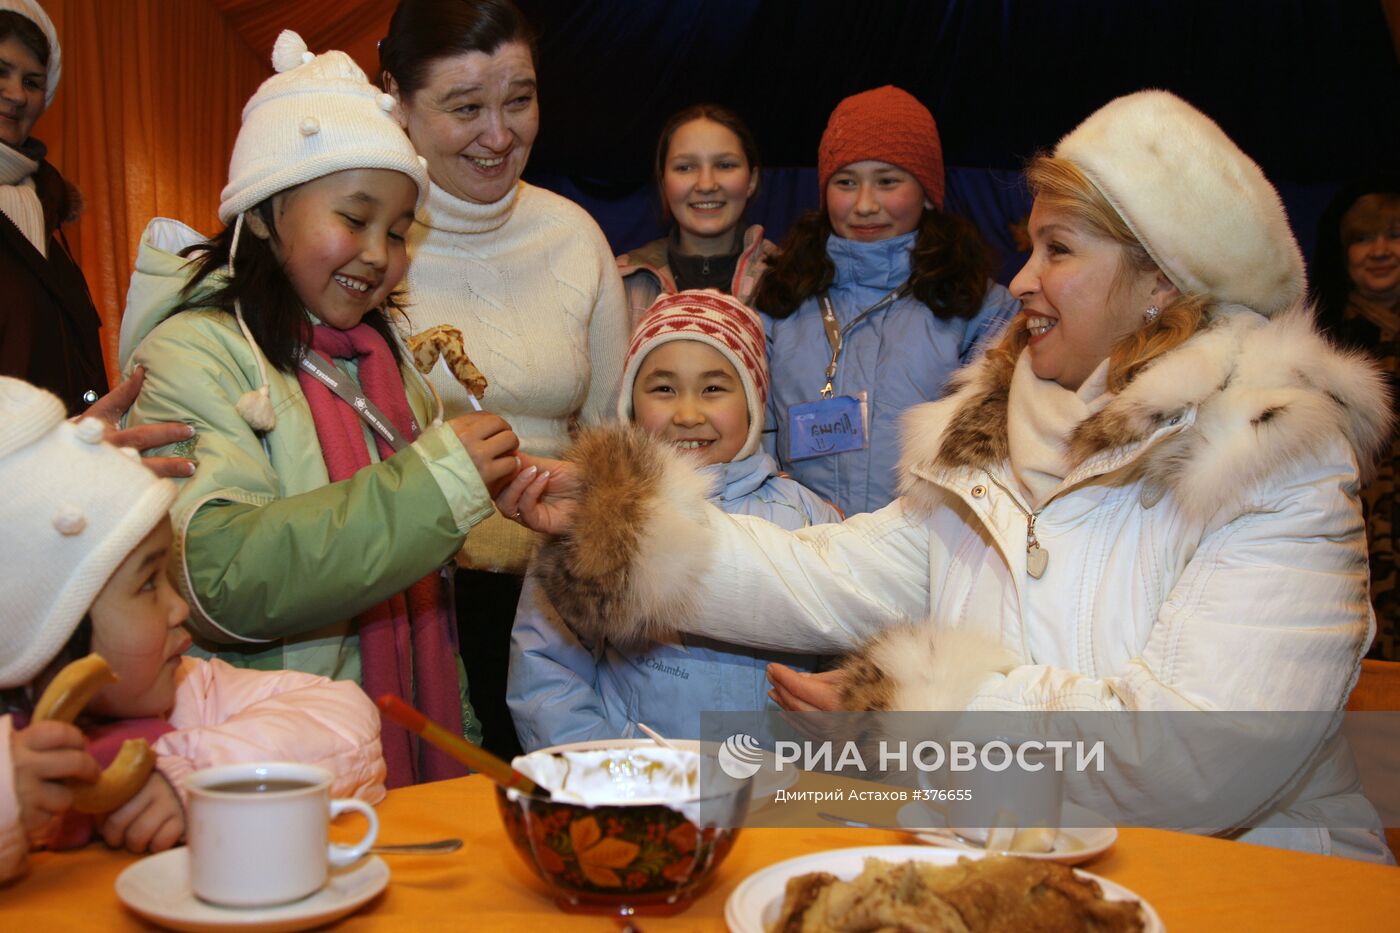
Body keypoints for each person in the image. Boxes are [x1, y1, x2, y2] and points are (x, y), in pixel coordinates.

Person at [500, 91, 1394, 862]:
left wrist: (912, 713)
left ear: (1160, 277)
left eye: (1059, 249)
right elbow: (823, 574)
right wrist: (621, 523)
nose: (1023, 279)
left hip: (1250, 886)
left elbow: (1188, 762)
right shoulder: (992, 443)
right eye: (1029, 246)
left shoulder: (1276, 461)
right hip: (1012, 860)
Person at [118, 32, 518, 787]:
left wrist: (496, 498)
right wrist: (437, 486)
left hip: (394, 742)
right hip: (269, 769)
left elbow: (409, 565)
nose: (378, 253)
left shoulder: (378, 359)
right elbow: (216, 573)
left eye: (398, 232)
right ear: (266, 213)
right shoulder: (189, 356)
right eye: (355, 218)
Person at [0, 377, 385, 883]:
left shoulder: (188, 693)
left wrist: (197, 777)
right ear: (45, 624)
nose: (179, 608)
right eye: (146, 586)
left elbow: (346, 723)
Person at [379, 0, 629, 759]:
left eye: (518, 100)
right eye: (466, 108)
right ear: (395, 98)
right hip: (409, 597)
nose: (499, 135)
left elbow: (617, 438)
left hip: (554, 600)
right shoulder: (369, 245)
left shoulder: (574, 235)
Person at [506, 291, 840, 750]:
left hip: (775, 787)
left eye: (713, 388)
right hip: (643, 786)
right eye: (664, 389)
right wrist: (603, 770)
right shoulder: (594, 512)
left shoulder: (810, 517)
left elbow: (847, 659)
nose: (687, 414)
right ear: (630, 403)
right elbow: (547, 667)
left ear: (753, 404)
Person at [754, 86, 1018, 517]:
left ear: (928, 192)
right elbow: (754, 438)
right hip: (802, 554)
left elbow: (991, 457)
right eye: (845, 182)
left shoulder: (982, 309)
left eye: (887, 181)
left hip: (926, 554)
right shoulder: (780, 302)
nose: (864, 204)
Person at [0, 1, 192, 478]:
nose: (14, 95)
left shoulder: (45, 210)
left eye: (31, 81)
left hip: (58, 488)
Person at [1310, 175, 1400, 661]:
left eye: (1394, 235)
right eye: (1363, 239)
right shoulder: (1323, 343)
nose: (1380, 250)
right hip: (1354, 533)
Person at [615, 104, 775, 327]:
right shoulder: (619, 284)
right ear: (664, 183)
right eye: (685, 168)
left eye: (725, 165)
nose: (706, 184)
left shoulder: (791, 280)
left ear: (752, 181)